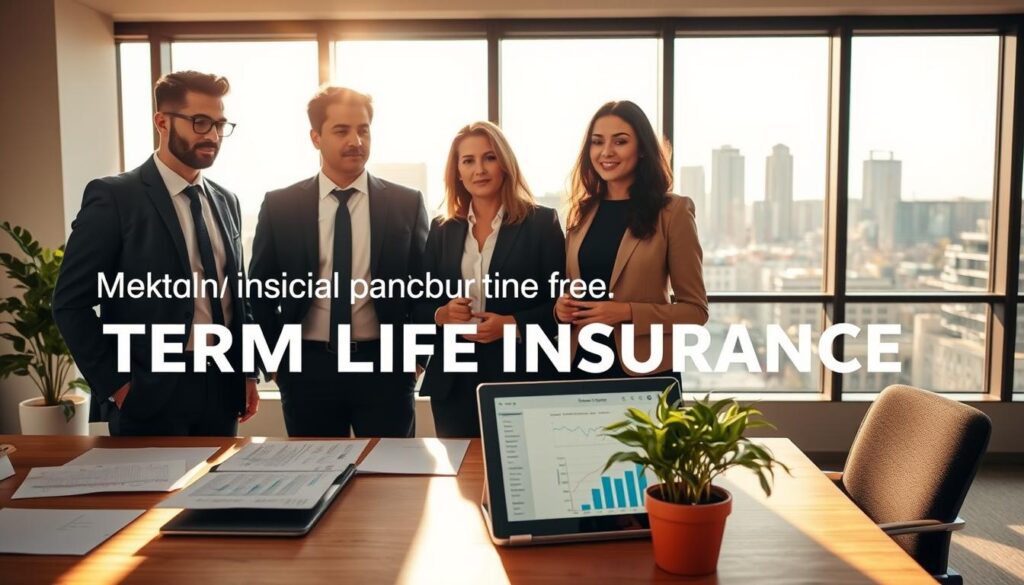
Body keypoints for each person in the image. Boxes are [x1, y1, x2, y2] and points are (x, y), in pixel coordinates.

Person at [53, 71, 259, 436]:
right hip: (149, 394)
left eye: (219, 124)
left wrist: (246, 371)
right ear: (161, 121)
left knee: (220, 493)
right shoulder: (114, 197)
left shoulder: (227, 200)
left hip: (222, 389)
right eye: (199, 122)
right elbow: (70, 302)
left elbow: (235, 299)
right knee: (152, 497)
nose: (212, 135)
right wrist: (118, 385)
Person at [249, 86, 428, 438]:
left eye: (363, 130)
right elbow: (259, 289)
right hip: (307, 366)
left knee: (389, 484)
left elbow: (424, 285)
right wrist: (274, 359)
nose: (356, 141)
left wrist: (418, 356)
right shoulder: (280, 205)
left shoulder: (406, 203)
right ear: (316, 137)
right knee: (313, 478)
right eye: (341, 131)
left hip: (385, 366)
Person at [415, 121, 565, 438]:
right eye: (468, 161)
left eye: (489, 158)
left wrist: (510, 323)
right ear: (457, 171)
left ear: (505, 165)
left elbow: (560, 308)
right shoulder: (443, 229)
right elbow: (418, 302)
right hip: (454, 380)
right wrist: (441, 314)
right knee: (460, 480)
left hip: (521, 375)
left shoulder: (541, 223)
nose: (479, 170)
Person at [556, 100, 709, 381]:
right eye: (597, 142)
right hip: (581, 364)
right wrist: (561, 308)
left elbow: (695, 311)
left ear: (641, 150)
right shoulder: (581, 212)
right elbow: (570, 287)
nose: (606, 152)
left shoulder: (672, 211)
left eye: (620, 141)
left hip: (644, 370)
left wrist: (625, 313)